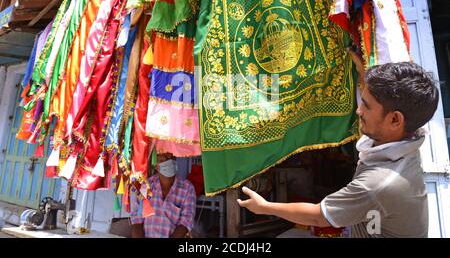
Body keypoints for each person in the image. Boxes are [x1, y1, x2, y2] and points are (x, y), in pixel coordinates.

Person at [238, 61, 439, 237]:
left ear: (395, 119)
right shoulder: (406, 137)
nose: (358, 110)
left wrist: (264, 207)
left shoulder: (379, 184)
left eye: (366, 106)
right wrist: (362, 70)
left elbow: (318, 217)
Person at [130, 152, 196, 238]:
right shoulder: (145, 185)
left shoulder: (187, 188)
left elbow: (186, 221)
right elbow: (136, 219)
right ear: (156, 165)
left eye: (170, 158)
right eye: (162, 160)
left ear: (175, 161)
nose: (167, 162)